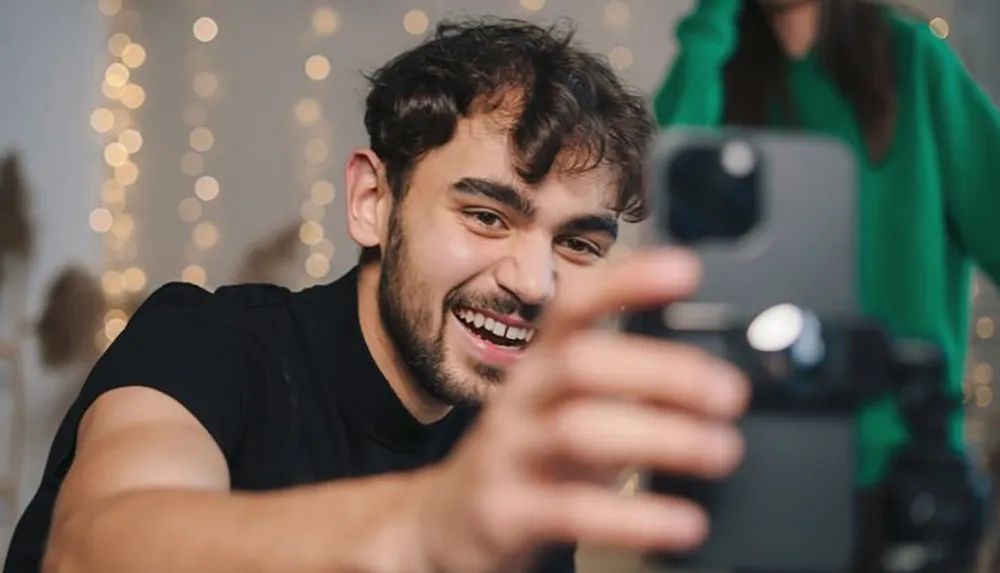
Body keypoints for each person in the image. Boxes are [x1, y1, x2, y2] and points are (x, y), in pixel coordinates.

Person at [4, 18, 750, 573]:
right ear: (372, 201)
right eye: (487, 215)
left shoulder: (522, 447)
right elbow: (92, 547)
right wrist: (428, 525)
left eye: (578, 243)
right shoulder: (206, 342)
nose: (533, 281)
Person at [655, 0, 1000, 489]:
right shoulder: (719, 64)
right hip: (757, 446)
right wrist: (711, 25)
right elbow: (669, 186)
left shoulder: (914, 60)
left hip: (904, 454)